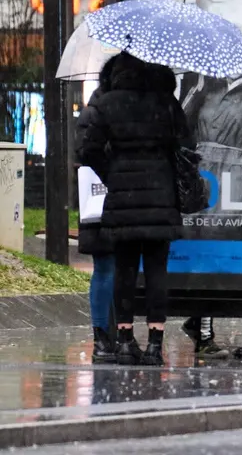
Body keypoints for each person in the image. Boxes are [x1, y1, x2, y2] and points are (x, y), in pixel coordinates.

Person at [76, 53, 190, 366]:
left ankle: (125, 342)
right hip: (161, 197)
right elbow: (187, 147)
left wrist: (112, 174)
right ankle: (155, 345)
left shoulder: (108, 104)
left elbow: (88, 150)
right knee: (156, 272)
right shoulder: (166, 103)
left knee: (124, 271)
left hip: (122, 199)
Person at [177, 72, 242, 359]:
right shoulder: (204, 84)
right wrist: (196, 89)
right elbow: (181, 125)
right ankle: (203, 331)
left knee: (230, 252)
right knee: (200, 253)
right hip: (202, 174)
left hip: (237, 175)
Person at [77, 56, 118, 364]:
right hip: (110, 198)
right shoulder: (108, 110)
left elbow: (84, 150)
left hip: (101, 199)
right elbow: (88, 152)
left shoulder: (93, 109)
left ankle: (104, 337)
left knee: (105, 269)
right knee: (110, 269)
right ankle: (107, 336)